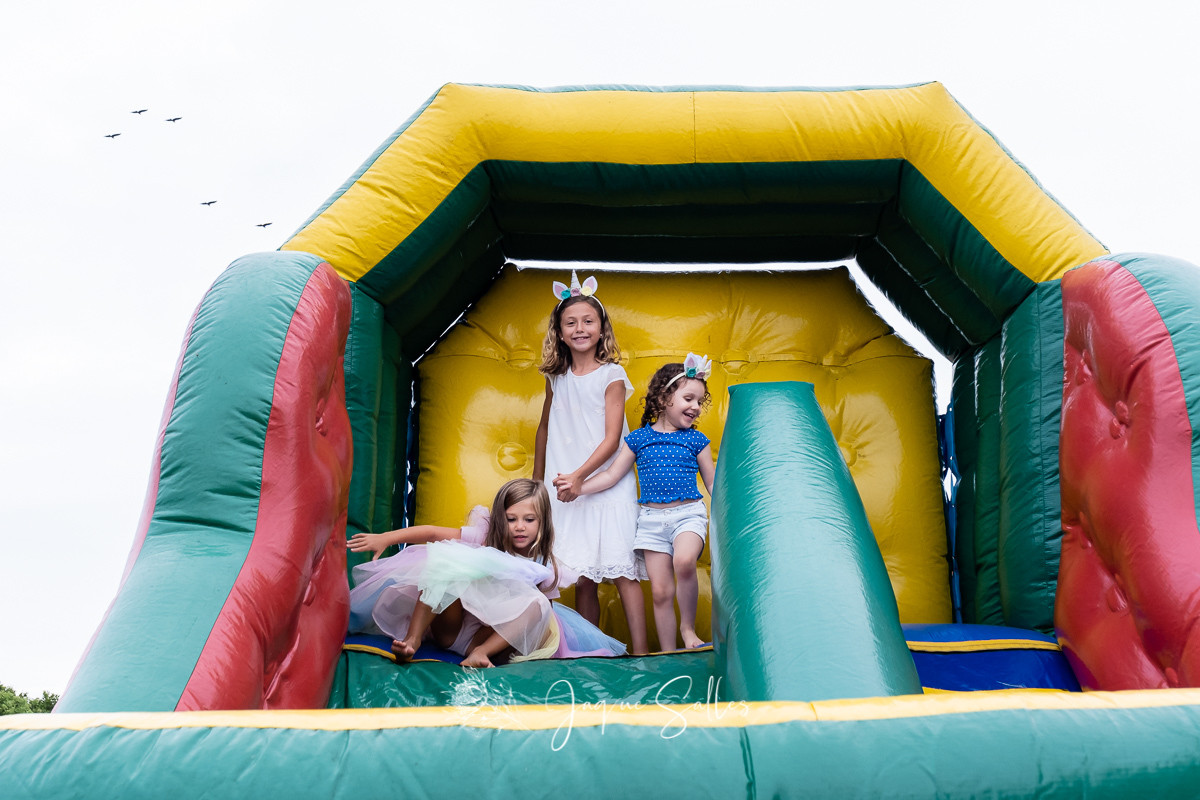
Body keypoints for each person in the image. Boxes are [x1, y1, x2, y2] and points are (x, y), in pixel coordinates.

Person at [347, 478, 626, 667]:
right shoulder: (484, 536)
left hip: (486, 640)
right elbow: (433, 533)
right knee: (448, 559)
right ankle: (412, 639)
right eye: (511, 519)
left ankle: (480, 655)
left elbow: (542, 618)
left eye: (529, 520)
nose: (519, 527)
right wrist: (386, 538)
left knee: (540, 605)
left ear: (542, 523)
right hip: (452, 628)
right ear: (499, 519)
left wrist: (542, 648)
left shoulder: (544, 564)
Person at [558, 354, 715, 651]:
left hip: (687, 515)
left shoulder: (697, 440)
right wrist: (578, 487)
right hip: (652, 523)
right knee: (660, 592)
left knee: (684, 561)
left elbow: (712, 482)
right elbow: (611, 476)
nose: (695, 407)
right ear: (664, 398)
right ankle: (668, 651)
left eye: (699, 401)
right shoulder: (639, 439)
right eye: (689, 398)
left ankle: (688, 629)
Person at [533, 270, 649, 655]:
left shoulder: (613, 374)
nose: (580, 328)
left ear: (601, 329)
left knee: (621, 572)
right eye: (571, 323)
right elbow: (545, 428)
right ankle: (589, 651)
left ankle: (644, 654)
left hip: (605, 483)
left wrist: (581, 477)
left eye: (588, 321)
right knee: (582, 577)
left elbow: (613, 438)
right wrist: (537, 485)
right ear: (560, 332)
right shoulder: (556, 377)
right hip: (565, 485)